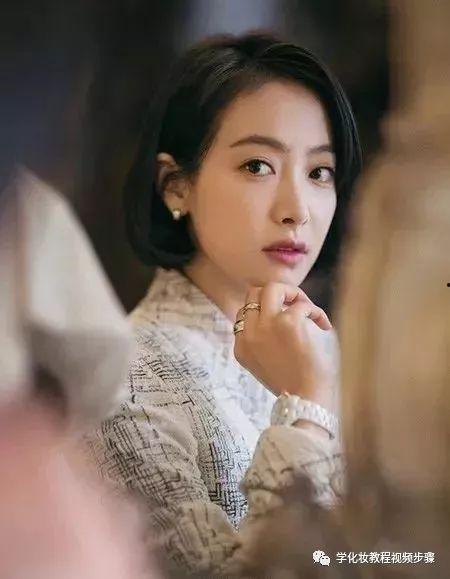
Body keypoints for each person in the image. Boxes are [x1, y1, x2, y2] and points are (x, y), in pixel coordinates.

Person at [87, 32, 361, 576]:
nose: (297, 209)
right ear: (175, 186)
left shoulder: (323, 351)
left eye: (319, 172)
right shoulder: (123, 381)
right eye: (258, 165)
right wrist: (308, 408)